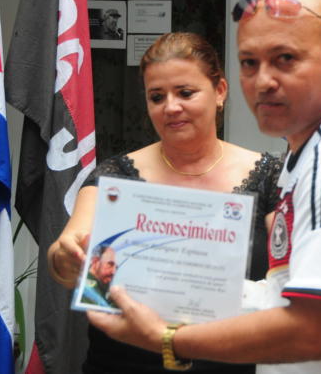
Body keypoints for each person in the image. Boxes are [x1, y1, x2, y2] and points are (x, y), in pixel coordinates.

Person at [86, 0, 321, 373]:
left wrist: (168, 339)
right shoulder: (307, 151)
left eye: (285, 58)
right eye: (250, 62)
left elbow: (310, 332)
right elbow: (283, 294)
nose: (263, 80)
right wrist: (172, 284)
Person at [48, 32, 283, 374]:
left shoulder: (269, 178)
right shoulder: (115, 176)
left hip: (228, 364)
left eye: (186, 93)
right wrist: (66, 260)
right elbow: (64, 259)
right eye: (157, 97)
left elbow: (291, 277)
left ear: (219, 91)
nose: (171, 107)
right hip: (120, 364)